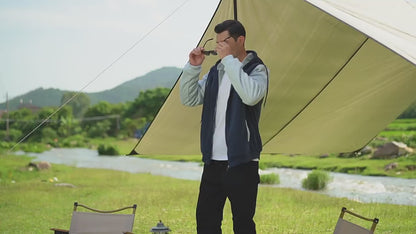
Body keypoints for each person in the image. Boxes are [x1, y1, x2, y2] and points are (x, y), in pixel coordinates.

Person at [179, 19, 268, 234]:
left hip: (242, 162)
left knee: (243, 225)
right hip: (213, 163)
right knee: (206, 223)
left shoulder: (257, 69)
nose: (219, 47)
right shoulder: (216, 71)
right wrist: (193, 67)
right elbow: (189, 98)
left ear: (240, 40)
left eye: (224, 42)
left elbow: (251, 96)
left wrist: (228, 59)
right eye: (217, 42)